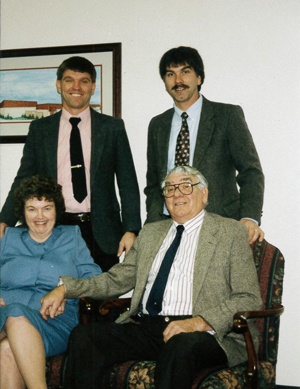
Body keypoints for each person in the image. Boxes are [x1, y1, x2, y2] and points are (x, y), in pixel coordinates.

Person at [40, 165, 262, 389]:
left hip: (203, 333)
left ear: (204, 194)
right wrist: (67, 288)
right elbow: (115, 279)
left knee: (181, 345)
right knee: (86, 337)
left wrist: (199, 322)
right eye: (170, 189)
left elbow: (248, 297)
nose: (177, 194)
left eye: (186, 186)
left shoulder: (230, 232)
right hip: (149, 327)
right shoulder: (150, 233)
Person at [0, 56, 141, 271]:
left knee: (99, 298)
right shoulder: (41, 129)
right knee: (58, 295)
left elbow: (127, 180)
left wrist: (132, 229)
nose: (76, 87)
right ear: (59, 85)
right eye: (69, 80)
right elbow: (24, 177)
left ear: (93, 87)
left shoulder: (112, 128)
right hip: (56, 227)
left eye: (84, 81)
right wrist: (5, 220)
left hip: (101, 231)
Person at [145, 46, 264, 244]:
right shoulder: (157, 125)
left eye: (185, 72)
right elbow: (153, 184)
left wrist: (249, 217)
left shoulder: (227, 116)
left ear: (199, 78)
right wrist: (152, 224)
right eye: (170, 74)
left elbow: (251, 171)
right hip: (168, 226)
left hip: (218, 225)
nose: (178, 81)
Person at [0, 175, 101, 389]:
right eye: (32, 209)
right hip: (5, 315)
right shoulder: (8, 238)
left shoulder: (72, 236)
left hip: (54, 322)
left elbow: (95, 278)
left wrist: (66, 289)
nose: (40, 216)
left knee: (8, 347)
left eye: (47, 207)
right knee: (15, 313)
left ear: (57, 209)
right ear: (22, 212)